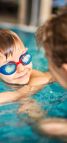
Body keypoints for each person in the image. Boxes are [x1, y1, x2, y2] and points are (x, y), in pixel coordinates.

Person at [32, 10, 67, 139]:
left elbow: (48, 127)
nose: (48, 67)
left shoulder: (53, 128)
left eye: (48, 57)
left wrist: (29, 107)